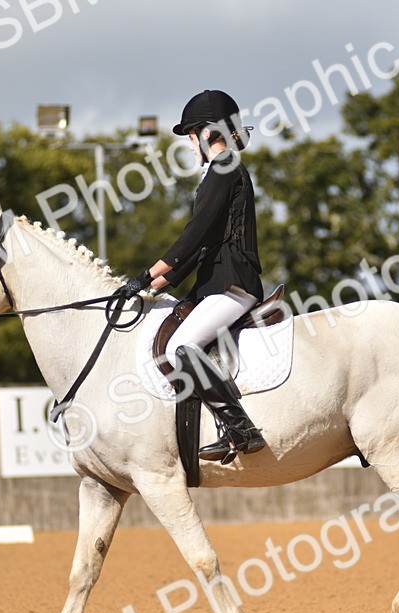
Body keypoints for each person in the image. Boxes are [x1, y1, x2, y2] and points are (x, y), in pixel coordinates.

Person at [118, 89, 266, 465]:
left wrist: (147, 272)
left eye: (189, 135)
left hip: (233, 285)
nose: (188, 144)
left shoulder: (225, 167)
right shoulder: (219, 172)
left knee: (180, 347)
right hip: (217, 283)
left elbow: (196, 233)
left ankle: (239, 428)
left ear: (206, 132)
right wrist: (151, 286)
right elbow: (203, 246)